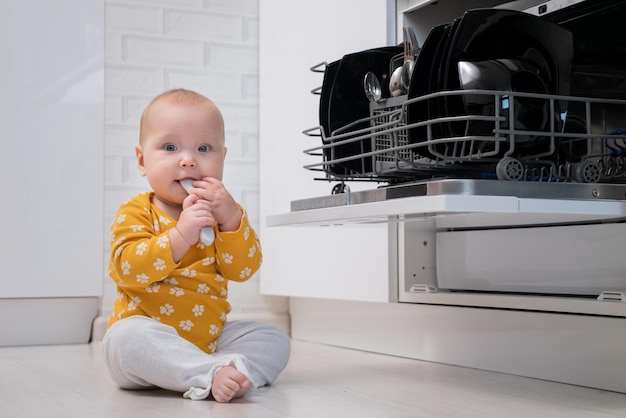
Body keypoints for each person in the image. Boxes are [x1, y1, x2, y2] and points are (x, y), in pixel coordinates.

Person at [102, 88, 290, 403]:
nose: (188, 160)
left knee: (274, 339)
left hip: (208, 341)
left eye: (204, 148)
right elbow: (127, 270)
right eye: (170, 147)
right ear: (142, 161)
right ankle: (211, 372)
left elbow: (243, 269)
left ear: (223, 158)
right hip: (147, 342)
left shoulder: (222, 214)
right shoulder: (136, 211)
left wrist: (231, 220)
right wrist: (180, 236)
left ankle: (221, 371)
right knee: (125, 338)